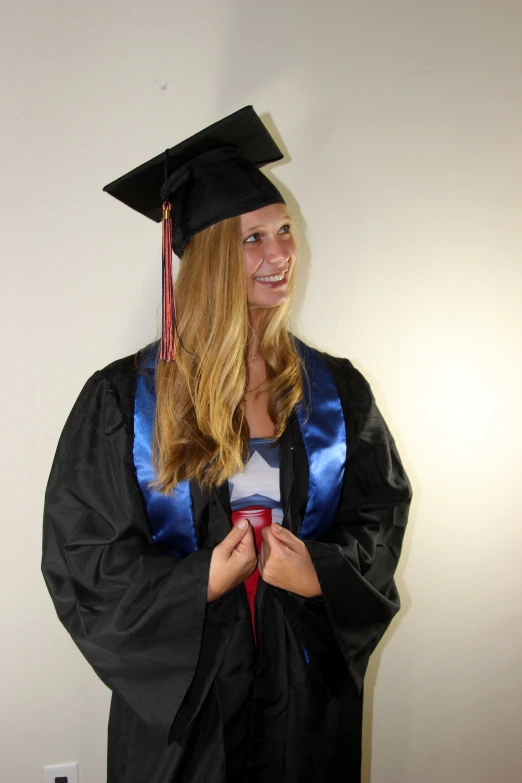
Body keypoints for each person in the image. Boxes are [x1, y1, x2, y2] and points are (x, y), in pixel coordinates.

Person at [42, 106, 412, 783]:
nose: (280, 255)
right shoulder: (123, 403)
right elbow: (83, 562)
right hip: (190, 714)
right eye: (252, 239)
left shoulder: (335, 391)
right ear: (209, 255)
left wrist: (319, 577)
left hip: (302, 700)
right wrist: (198, 583)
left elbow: (378, 518)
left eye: (284, 232)